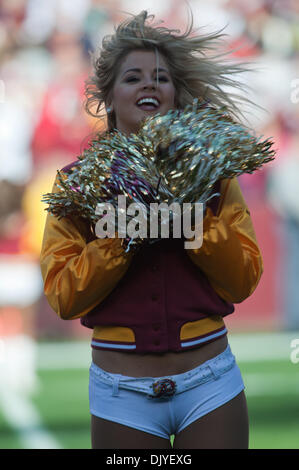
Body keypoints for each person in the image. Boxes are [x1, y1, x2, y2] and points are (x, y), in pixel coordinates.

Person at [40, 11, 263, 449]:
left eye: (161, 77)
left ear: (174, 94)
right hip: (121, 391)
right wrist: (120, 240)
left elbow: (243, 280)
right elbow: (64, 296)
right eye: (133, 78)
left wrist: (194, 220)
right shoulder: (77, 183)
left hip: (210, 382)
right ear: (108, 97)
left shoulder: (213, 175)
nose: (149, 84)